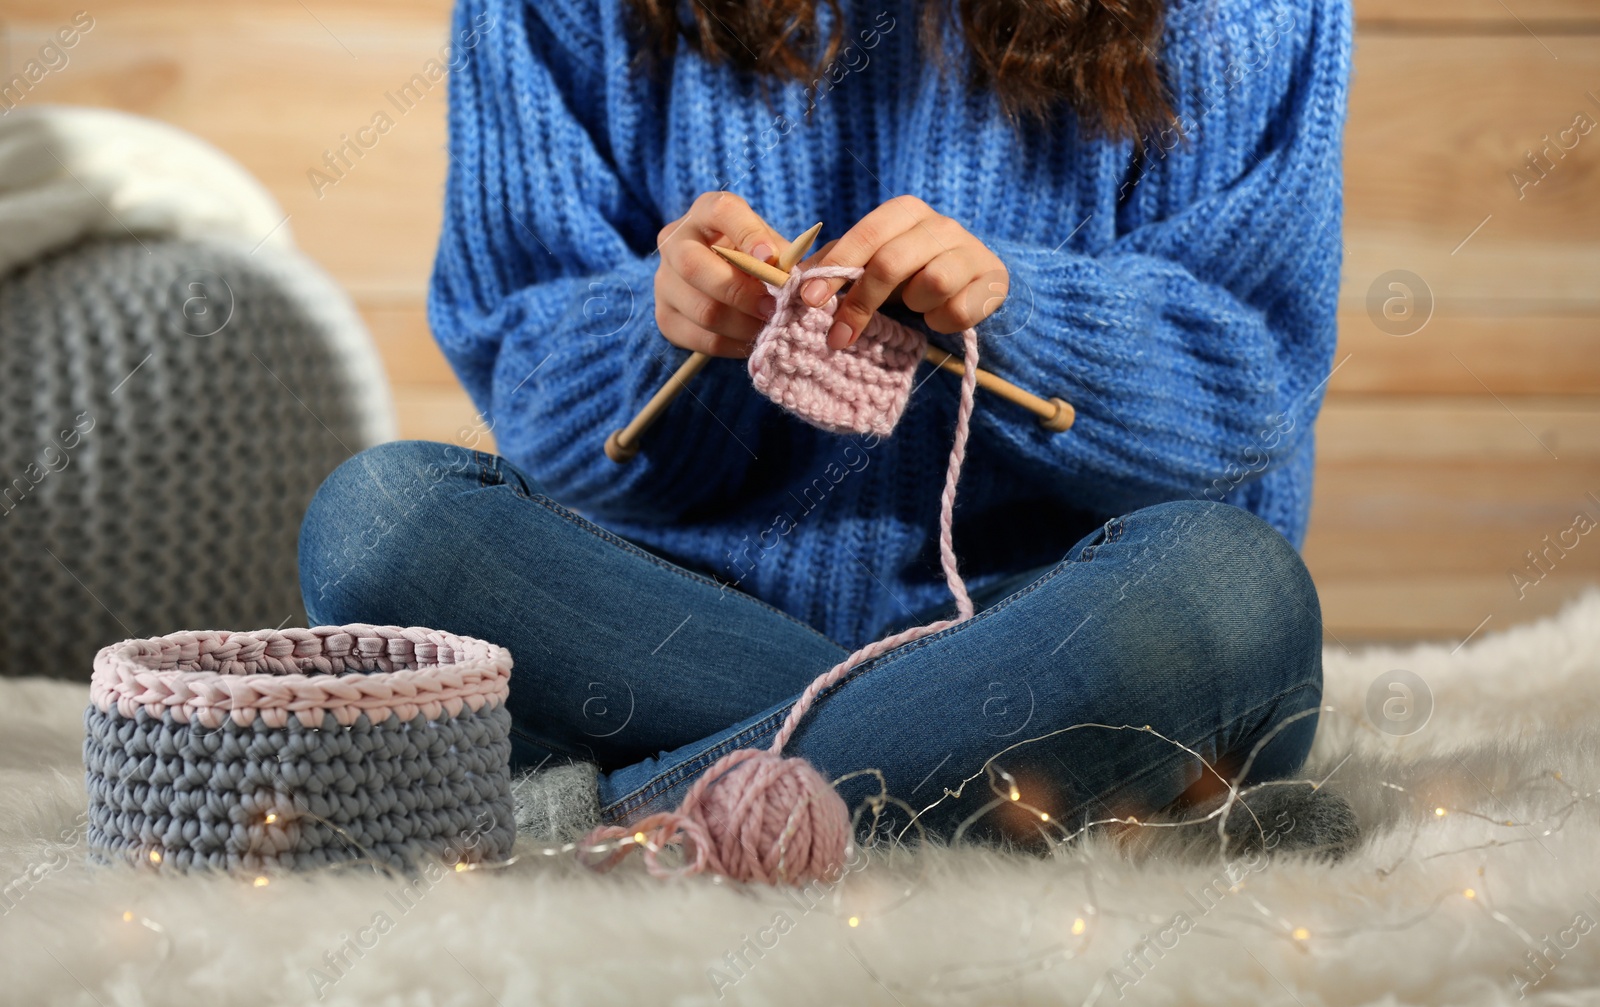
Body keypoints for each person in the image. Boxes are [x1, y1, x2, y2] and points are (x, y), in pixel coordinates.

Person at [299, 0, 1354, 852]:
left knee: (1228, 592)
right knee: (379, 519)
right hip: (664, 630)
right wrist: (657, 330)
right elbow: (522, 366)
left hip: (1039, 614)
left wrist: (1016, 319)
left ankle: (612, 825)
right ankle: (899, 779)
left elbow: (1249, 368)